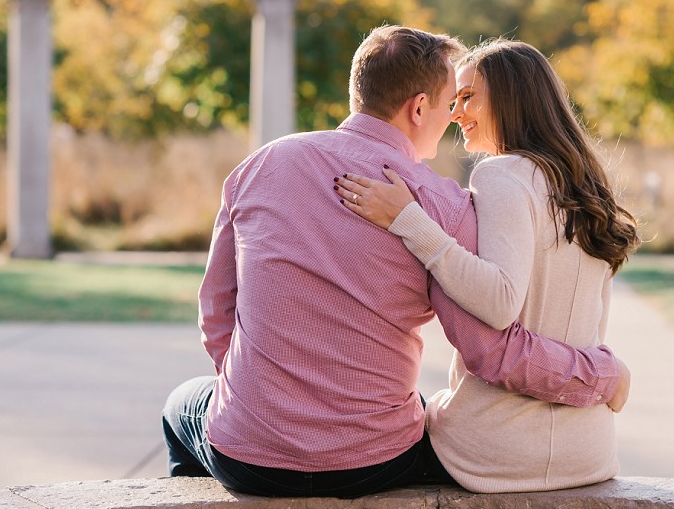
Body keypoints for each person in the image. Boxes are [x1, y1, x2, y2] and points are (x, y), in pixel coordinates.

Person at [161, 26, 630, 499]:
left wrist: (266, 405)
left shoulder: (261, 165)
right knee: (421, 412)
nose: (454, 116)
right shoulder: (445, 205)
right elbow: (491, 352)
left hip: (248, 457)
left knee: (180, 404)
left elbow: (217, 313)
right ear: (420, 107)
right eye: (451, 102)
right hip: (374, 461)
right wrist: (602, 375)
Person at [333, 37, 640, 492]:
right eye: (454, 99)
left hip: (498, 456)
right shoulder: (584, 187)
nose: (455, 113)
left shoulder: (501, 174)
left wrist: (408, 220)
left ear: (514, 97)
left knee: (374, 427)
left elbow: (499, 302)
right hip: (589, 452)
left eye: (468, 97)